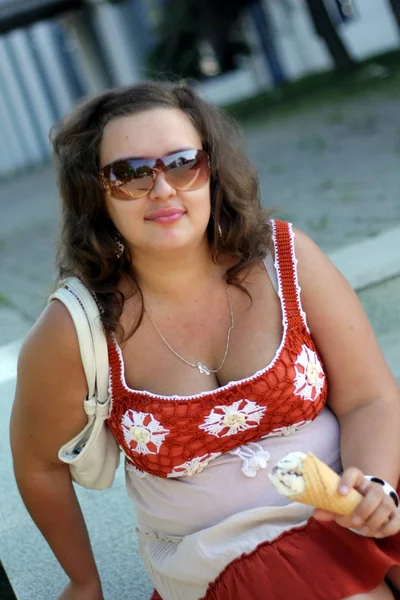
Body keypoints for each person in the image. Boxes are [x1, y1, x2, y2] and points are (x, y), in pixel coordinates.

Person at [9, 80, 400, 600]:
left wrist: (374, 484)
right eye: (128, 174)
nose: (163, 189)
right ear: (95, 194)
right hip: (225, 554)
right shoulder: (78, 328)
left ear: (212, 170)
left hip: (349, 489)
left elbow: (370, 398)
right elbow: (37, 464)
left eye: (182, 162)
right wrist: (84, 580)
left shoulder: (286, 257)